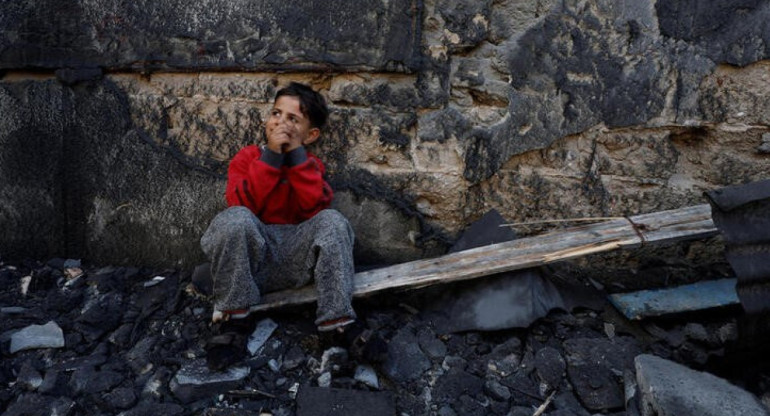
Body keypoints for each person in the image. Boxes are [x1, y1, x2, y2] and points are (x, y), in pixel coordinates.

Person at [200, 82, 356, 333]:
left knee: (333, 220)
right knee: (235, 218)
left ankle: (337, 323)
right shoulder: (248, 158)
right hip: (250, 264)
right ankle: (233, 320)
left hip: (298, 262)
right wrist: (271, 157)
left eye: (293, 119)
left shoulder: (311, 167)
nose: (281, 123)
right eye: (276, 113)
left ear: (310, 135)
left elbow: (313, 209)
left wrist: (295, 159)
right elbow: (241, 205)